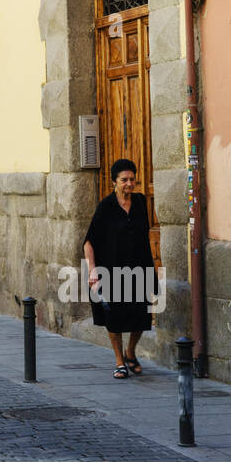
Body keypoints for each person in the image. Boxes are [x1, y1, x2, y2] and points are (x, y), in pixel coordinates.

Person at [84, 158, 156, 380]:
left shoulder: (141, 202)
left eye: (132, 179)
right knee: (113, 317)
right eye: (124, 179)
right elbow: (89, 241)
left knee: (142, 315)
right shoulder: (105, 207)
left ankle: (131, 352)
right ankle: (119, 361)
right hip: (112, 271)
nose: (129, 183)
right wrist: (92, 270)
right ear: (114, 182)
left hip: (140, 268)